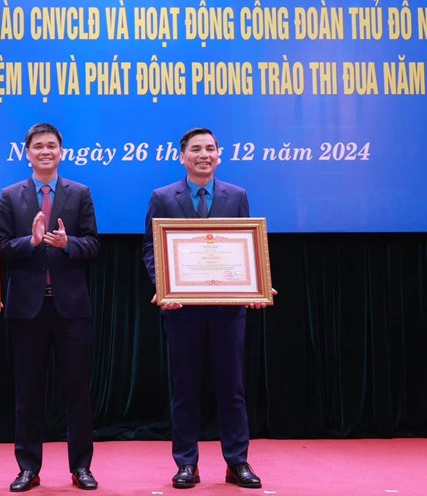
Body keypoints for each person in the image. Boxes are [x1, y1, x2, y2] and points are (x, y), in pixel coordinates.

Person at [142, 128, 276, 489]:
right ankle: (186, 463)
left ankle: (237, 462)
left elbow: (246, 244)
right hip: (182, 309)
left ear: (219, 155)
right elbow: (151, 248)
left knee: (232, 389)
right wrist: (163, 286)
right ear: (182, 157)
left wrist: (256, 283)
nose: (204, 154)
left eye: (210, 149)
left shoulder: (237, 196)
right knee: (185, 388)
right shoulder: (163, 197)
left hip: (227, 311)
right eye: (196, 149)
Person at [0, 123, 101, 492]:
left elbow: (93, 245)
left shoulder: (80, 193)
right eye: (38, 146)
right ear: (27, 153)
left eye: (51, 146)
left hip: (71, 309)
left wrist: (67, 243)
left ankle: (81, 467)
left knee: (78, 391)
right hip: (28, 310)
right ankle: (28, 468)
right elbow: (0, 248)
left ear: (61, 152)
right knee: (28, 392)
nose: (45, 151)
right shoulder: (10, 196)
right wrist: (31, 241)